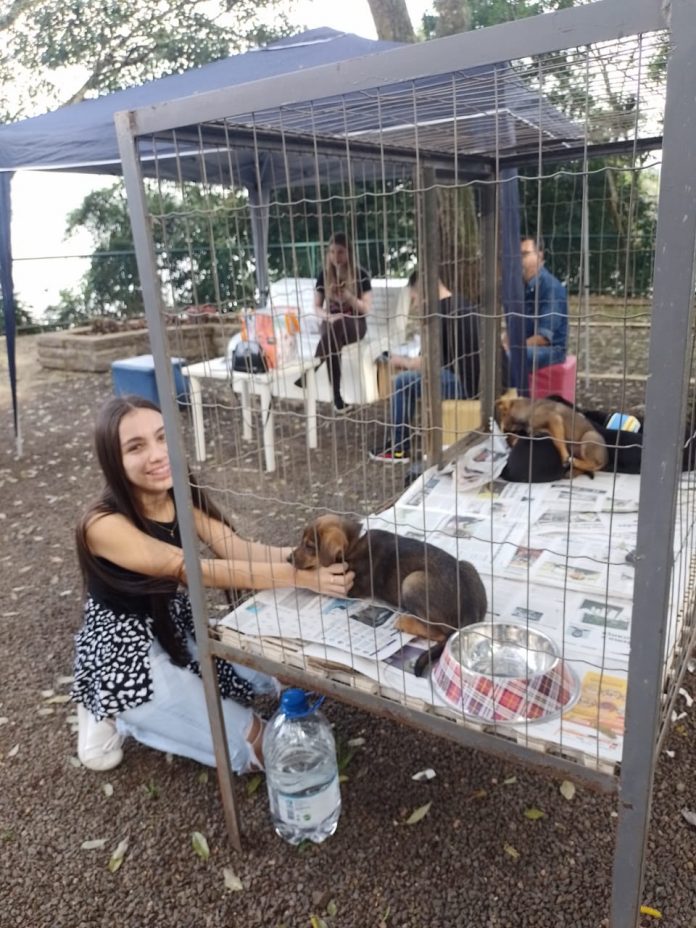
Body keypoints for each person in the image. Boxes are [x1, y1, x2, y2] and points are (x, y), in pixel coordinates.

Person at [71, 394, 354, 774]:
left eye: (162, 437)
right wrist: (300, 578)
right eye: (136, 447)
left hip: (171, 624)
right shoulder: (100, 525)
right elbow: (190, 569)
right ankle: (104, 703)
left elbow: (237, 549)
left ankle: (130, 701)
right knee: (265, 749)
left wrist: (309, 557)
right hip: (123, 651)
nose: (157, 454)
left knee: (286, 671)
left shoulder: (175, 500)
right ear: (112, 459)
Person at [369, 270, 480, 463]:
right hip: (477, 380)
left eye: (414, 299)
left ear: (425, 291)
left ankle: (399, 448)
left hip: (466, 386)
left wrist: (401, 361)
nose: (415, 306)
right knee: (411, 380)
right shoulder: (460, 303)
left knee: (402, 383)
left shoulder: (439, 314)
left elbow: (427, 362)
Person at [296, 232, 372, 412]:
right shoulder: (324, 275)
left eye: (340, 252)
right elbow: (317, 307)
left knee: (336, 328)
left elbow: (366, 308)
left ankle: (312, 368)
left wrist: (349, 297)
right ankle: (337, 398)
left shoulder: (361, 274)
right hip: (331, 322)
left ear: (349, 253)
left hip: (354, 323)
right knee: (333, 336)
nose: (335, 257)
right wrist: (329, 316)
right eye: (332, 252)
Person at [515, 236, 568, 370]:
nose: (519, 260)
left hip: (551, 350)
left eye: (524, 254)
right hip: (527, 345)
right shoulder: (522, 286)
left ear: (539, 255)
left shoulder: (550, 287)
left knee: (508, 357)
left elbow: (544, 338)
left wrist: (514, 346)